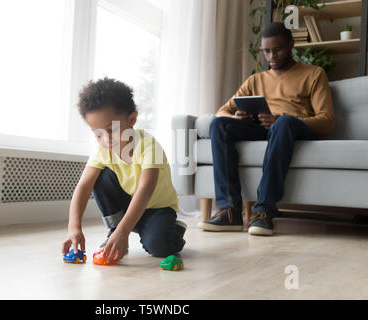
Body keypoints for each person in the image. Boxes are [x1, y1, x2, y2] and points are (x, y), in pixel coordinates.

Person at [200, 22, 334, 236]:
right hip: (262, 127)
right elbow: (221, 112)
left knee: (283, 123)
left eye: (277, 49)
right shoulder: (255, 80)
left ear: (291, 45)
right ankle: (229, 212)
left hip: (293, 127)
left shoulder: (314, 74)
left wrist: (282, 118)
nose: (272, 56)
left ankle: (264, 212)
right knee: (219, 125)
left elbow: (326, 121)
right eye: (266, 51)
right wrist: (237, 115)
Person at [62, 77, 186, 263]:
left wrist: (124, 230)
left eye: (111, 130)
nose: (105, 140)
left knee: (158, 247)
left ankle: (172, 230)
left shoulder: (150, 147)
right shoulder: (103, 150)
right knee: (100, 177)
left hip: (157, 208)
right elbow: (83, 186)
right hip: (128, 204)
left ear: (132, 120)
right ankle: (115, 229)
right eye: (97, 134)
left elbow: (146, 188)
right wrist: (74, 228)